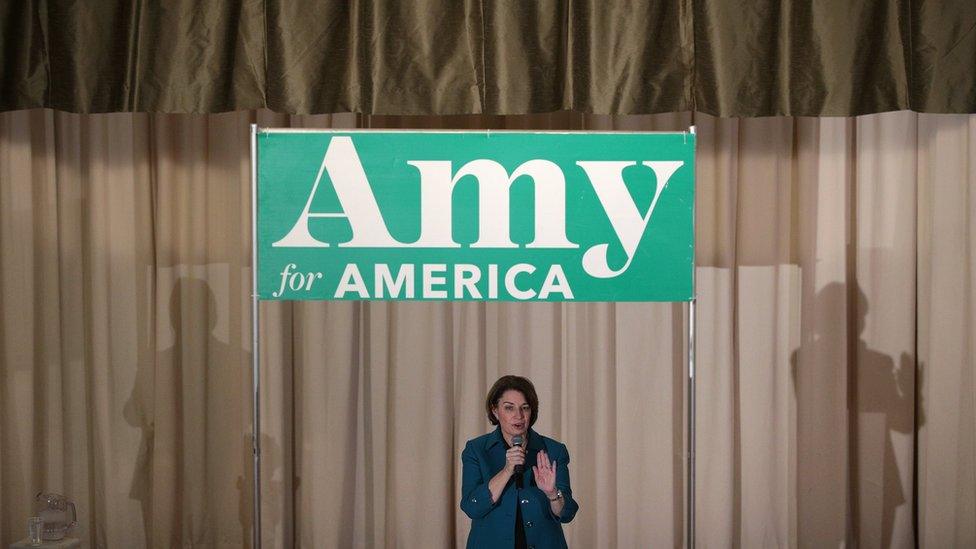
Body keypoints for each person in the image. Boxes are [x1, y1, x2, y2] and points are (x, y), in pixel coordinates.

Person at [460, 375, 579, 548]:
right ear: (495, 411)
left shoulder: (554, 450)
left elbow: (567, 513)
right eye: (509, 408)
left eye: (525, 408)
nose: (519, 416)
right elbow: (472, 507)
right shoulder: (476, 450)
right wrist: (507, 470)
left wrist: (552, 493)